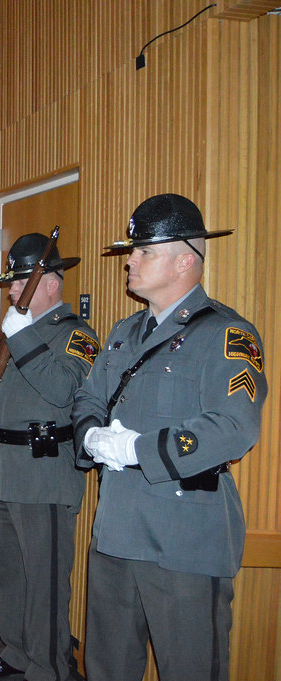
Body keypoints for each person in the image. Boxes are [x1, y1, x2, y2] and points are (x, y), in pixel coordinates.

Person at [72, 193, 267, 681]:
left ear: (185, 260)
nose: (130, 262)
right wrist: (91, 436)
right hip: (117, 530)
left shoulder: (226, 335)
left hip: (185, 537)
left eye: (144, 252)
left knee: (190, 669)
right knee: (107, 668)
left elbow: (233, 427)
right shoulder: (122, 333)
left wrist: (135, 450)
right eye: (133, 251)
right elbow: (88, 399)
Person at [0, 234, 99, 681]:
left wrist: (20, 338)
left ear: (50, 283)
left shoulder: (77, 334)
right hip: (4, 468)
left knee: (44, 585)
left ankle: (49, 668)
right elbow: (2, 382)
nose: (11, 291)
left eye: (20, 281)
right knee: (8, 577)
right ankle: (18, 653)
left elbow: (63, 388)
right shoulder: (18, 331)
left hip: (43, 474)